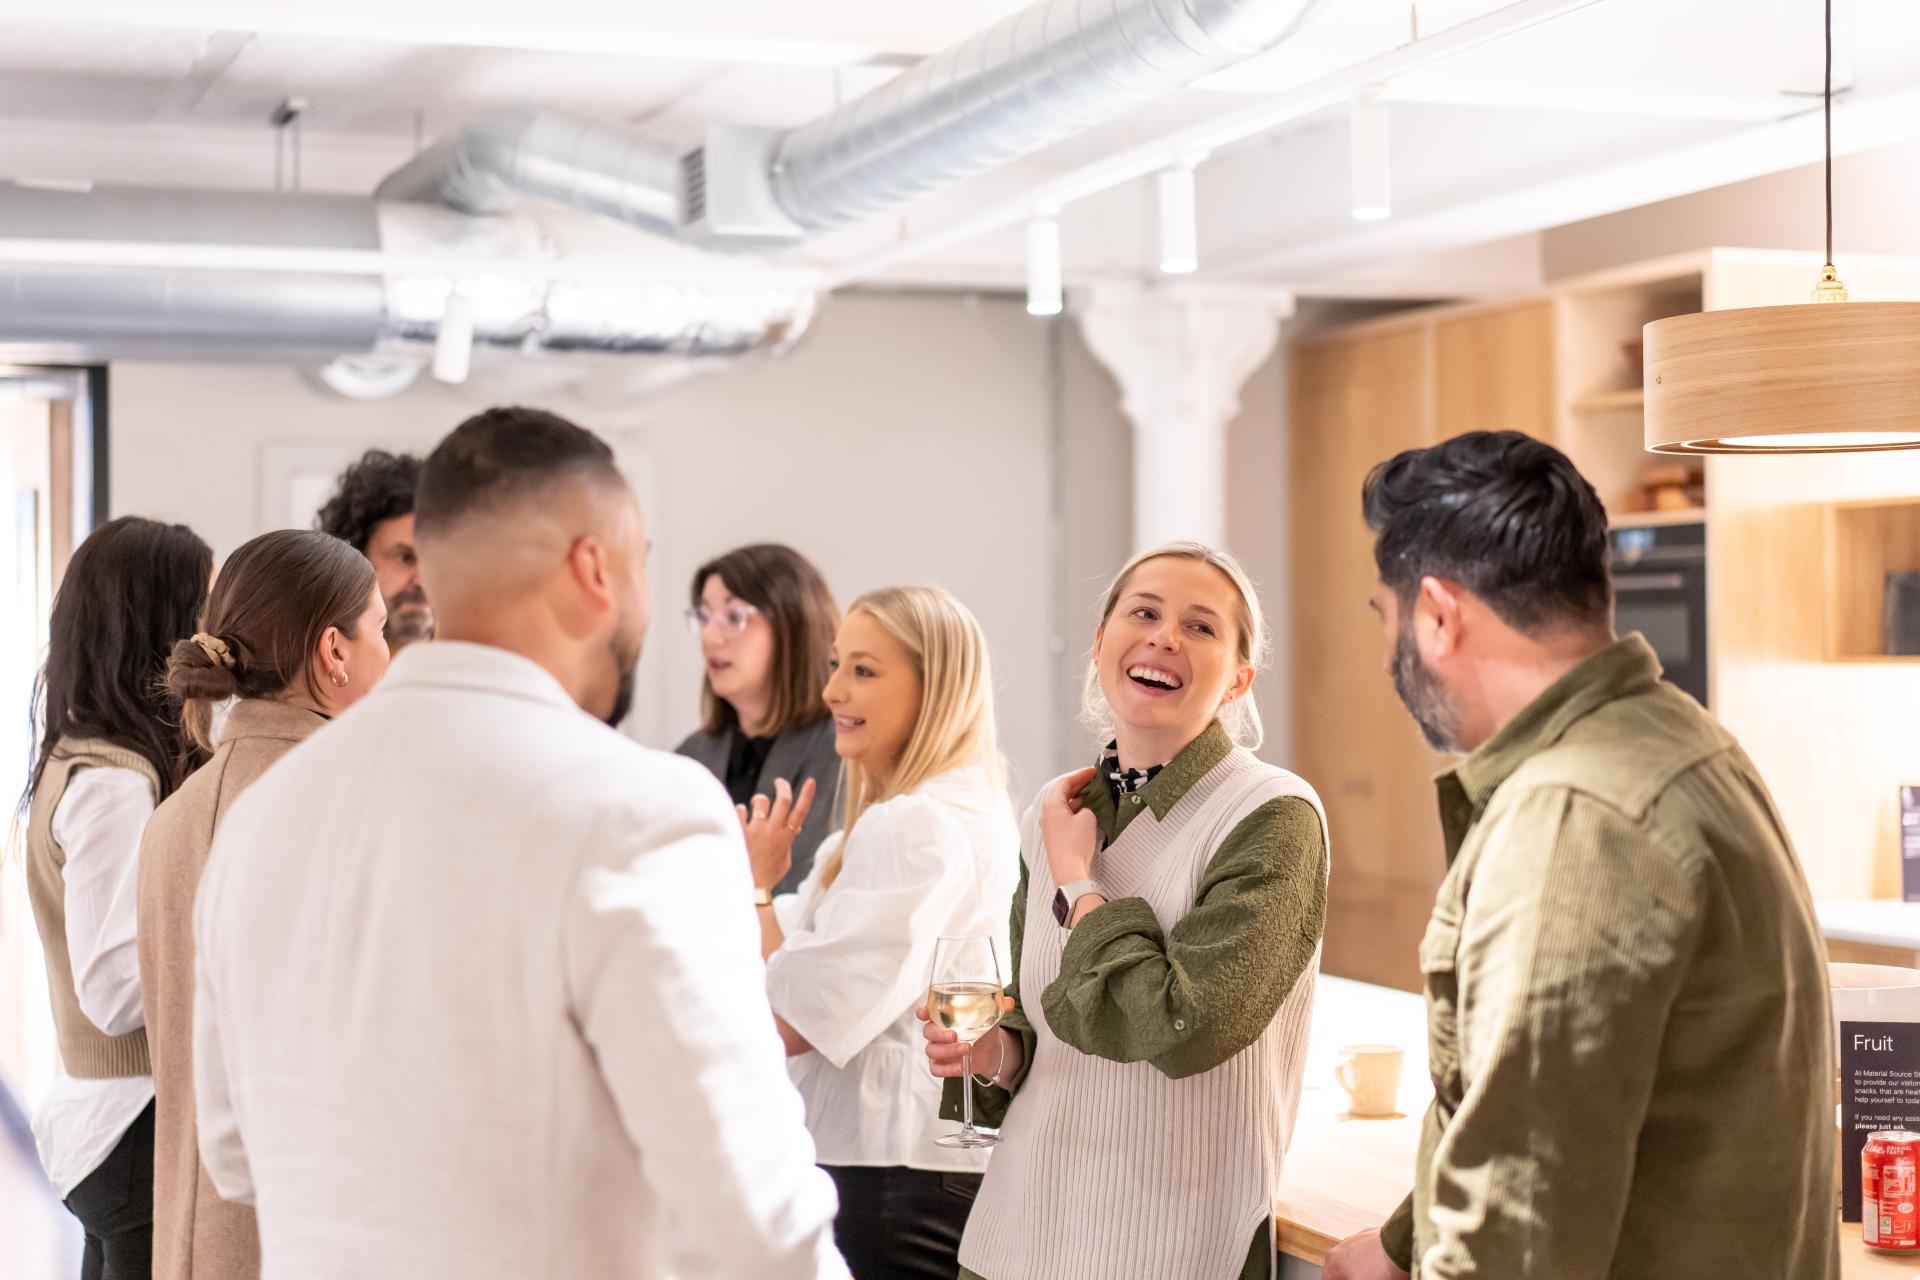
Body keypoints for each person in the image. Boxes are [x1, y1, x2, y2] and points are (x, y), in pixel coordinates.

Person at [190, 407, 847, 1279]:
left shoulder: (262, 818)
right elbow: (755, 1224)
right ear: (595, 568)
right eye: (643, 566)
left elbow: (234, 1155)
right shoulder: (644, 812)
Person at [1321, 431, 1835, 1280]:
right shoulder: (1683, 739)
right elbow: (1561, 1107)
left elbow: (1515, 1239)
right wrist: (1405, 1238)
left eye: (1387, 615)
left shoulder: (1570, 821)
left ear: (1439, 617)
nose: (1388, 653)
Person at [925, 541, 1330, 1280]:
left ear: (1239, 680)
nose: (1164, 637)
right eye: (1143, 612)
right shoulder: (1054, 814)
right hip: (1014, 1241)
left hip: (1171, 1249)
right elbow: (1033, 1031)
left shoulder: (1271, 816)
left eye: (1201, 627)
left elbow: (1182, 1026)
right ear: (1100, 643)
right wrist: (987, 1055)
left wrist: (1081, 884)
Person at [737, 585, 1019, 1280]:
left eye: (863, 670)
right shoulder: (942, 813)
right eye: (836, 665)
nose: (832, 690)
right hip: (910, 1172)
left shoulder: (915, 827)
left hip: (889, 1180)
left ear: (935, 690)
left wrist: (754, 887)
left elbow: (788, 1018)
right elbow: (793, 967)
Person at [137, 529, 391, 1280]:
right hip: (308, 1237)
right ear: (334, 651)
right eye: (380, 630)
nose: (392, 654)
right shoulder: (347, 804)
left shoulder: (173, 817)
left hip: (190, 1235)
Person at [20, 515, 213, 1280]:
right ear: (156, 628)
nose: (210, 636)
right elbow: (114, 988)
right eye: (198, 611)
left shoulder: (84, 759)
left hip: (116, 1122)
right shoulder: (112, 782)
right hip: (132, 1121)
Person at [677, 544, 841, 894]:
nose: (710, 637)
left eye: (734, 617)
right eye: (704, 617)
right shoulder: (688, 759)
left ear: (793, 626)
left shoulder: (844, 755)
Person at [315, 448, 434, 649]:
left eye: (434, 560)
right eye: (405, 558)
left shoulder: (473, 667)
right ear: (355, 560)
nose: (422, 580)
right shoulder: (316, 666)